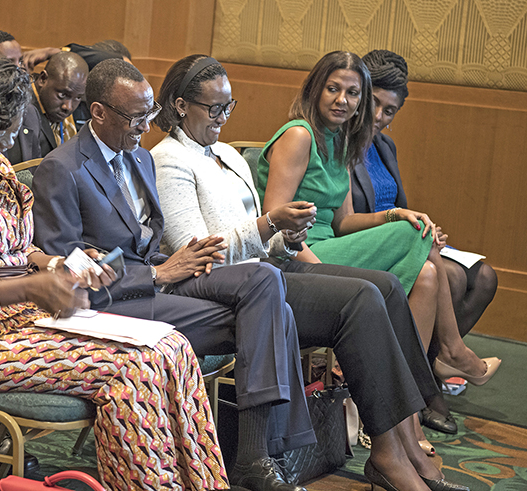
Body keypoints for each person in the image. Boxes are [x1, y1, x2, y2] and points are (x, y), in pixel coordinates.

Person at [0, 40, 227, 491]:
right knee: (134, 368)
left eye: (13, 129)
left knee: (173, 347)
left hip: (23, 323)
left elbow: (16, 249)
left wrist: (60, 264)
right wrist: (29, 288)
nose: (9, 141)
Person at [152, 54, 469, 491]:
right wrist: (271, 226)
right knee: (362, 297)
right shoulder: (168, 159)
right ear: (182, 105)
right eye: (214, 108)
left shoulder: (226, 154)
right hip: (229, 292)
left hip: (266, 272)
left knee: (387, 286)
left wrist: (286, 236)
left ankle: (404, 443)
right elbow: (197, 253)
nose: (223, 119)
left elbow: (265, 239)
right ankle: (390, 452)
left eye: (230, 107)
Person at [33, 58, 311, 491]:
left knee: (265, 283)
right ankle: (262, 454)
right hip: (112, 302)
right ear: (99, 112)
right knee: (276, 312)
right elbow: (64, 272)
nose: (147, 127)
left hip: (160, 276)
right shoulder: (63, 168)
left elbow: (149, 235)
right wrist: (159, 274)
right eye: (136, 117)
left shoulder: (140, 156)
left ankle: (259, 454)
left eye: (150, 115)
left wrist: (172, 261)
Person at [257, 51, 500, 393]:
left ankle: (403, 404)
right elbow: (275, 226)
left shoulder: (340, 139)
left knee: (428, 273)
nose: (342, 100)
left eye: (352, 93)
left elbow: (344, 222)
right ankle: (451, 350)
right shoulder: (299, 135)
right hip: (299, 257)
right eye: (333, 89)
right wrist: (321, 272)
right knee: (415, 234)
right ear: (314, 89)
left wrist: (395, 214)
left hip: (330, 246)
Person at [354, 49, 498, 342]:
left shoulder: (385, 147)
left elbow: (396, 204)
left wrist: (424, 229)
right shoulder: (340, 144)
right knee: (454, 278)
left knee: (485, 278)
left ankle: (431, 365)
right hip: (369, 241)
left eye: (390, 110)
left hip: (402, 234)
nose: (378, 117)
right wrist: (403, 227)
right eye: (374, 103)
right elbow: (342, 219)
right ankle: (428, 367)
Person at [4, 51, 88, 165]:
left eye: (77, 98)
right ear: (43, 79)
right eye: (62, 95)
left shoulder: (69, 109)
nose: (68, 107)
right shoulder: (19, 110)